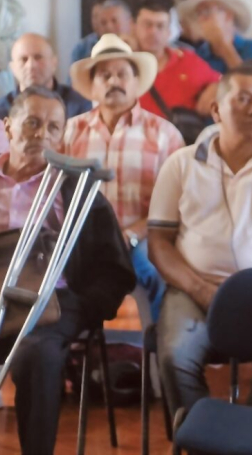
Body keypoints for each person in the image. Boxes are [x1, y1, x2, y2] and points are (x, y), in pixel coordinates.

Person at [149, 64, 252, 417]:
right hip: (192, 290)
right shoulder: (181, 164)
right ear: (216, 109)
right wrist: (200, 289)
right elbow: (158, 242)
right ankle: (200, 437)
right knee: (175, 356)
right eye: (243, 99)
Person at [0, 87, 135, 455]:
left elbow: (115, 270)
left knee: (36, 355)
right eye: (31, 123)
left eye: (53, 127)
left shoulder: (78, 189)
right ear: (8, 126)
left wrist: (83, 306)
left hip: (52, 302)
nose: (42, 134)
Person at [65, 34, 185, 322]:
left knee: (154, 270)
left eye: (122, 74)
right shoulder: (70, 132)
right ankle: (74, 343)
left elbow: (178, 202)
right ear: (93, 85)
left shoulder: (164, 134)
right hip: (82, 240)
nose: (113, 81)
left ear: (135, 81)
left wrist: (132, 234)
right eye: (104, 75)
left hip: (142, 237)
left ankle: (157, 343)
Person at [134, 2, 220, 122]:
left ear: (169, 32)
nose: (153, 31)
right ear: (134, 27)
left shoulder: (188, 61)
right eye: (147, 25)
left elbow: (222, 82)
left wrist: (212, 93)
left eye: (160, 26)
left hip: (181, 132)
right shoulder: (122, 65)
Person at [0, 33, 91, 120]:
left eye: (38, 57)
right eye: (24, 59)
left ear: (54, 63)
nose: (31, 65)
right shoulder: (2, 110)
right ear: (12, 68)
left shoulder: (79, 105)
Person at [177, 0, 252, 73]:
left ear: (228, 16)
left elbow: (251, 81)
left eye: (206, 11)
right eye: (199, 13)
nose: (200, 19)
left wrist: (224, 45)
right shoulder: (199, 54)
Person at [71, 0, 133, 64]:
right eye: (103, 23)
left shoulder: (139, 45)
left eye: (114, 21)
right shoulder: (83, 50)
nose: (109, 27)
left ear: (129, 22)